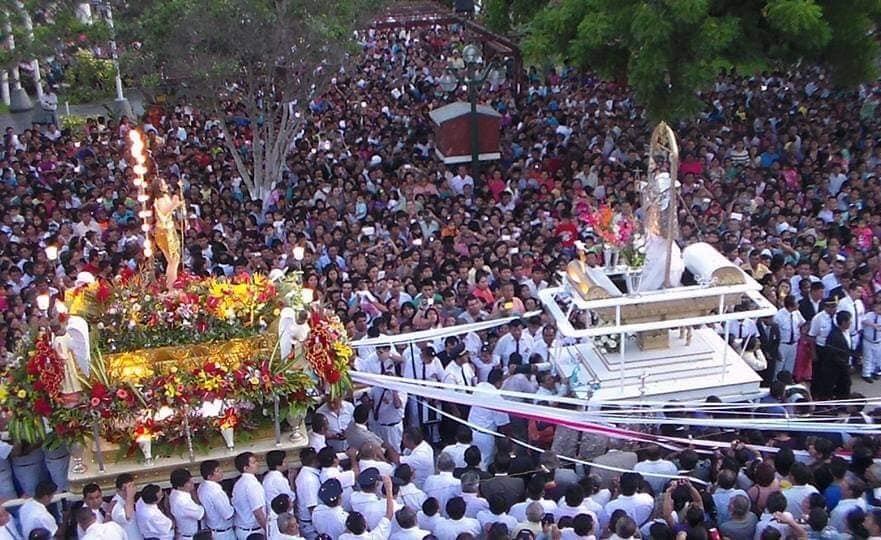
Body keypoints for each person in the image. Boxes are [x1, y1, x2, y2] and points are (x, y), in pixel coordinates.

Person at [339, 475, 394, 540]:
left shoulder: (343, 538)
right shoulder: (374, 537)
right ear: (366, 525)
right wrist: (388, 488)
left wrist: (351, 525)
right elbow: (389, 515)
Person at [151, 177, 183, 289]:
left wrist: (177, 201)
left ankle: (172, 284)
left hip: (169, 229)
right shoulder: (159, 200)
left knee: (175, 260)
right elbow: (165, 212)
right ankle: (171, 286)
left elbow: (171, 208)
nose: (166, 185)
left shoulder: (165, 197)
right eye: (164, 184)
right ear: (160, 187)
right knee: (172, 260)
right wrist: (174, 203)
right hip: (164, 232)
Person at [233, 452, 268, 539]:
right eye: (253, 462)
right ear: (245, 468)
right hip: (253, 532)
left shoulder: (238, 483)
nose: (257, 464)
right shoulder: (252, 484)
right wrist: (268, 530)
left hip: (243, 530)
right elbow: (258, 512)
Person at [198, 460, 235, 540]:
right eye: (217, 471)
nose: (221, 472)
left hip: (213, 531)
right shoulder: (216, 492)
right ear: (209, 476)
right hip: (224, 534)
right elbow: (228, 515)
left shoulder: (202, 486)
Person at [169, 468, 205, 540]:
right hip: (189, 536)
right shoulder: (183, 501)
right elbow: (201, 514)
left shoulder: (175, 493)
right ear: (180, 486)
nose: (192, 483)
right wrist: (194, 494)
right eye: (188, 482)